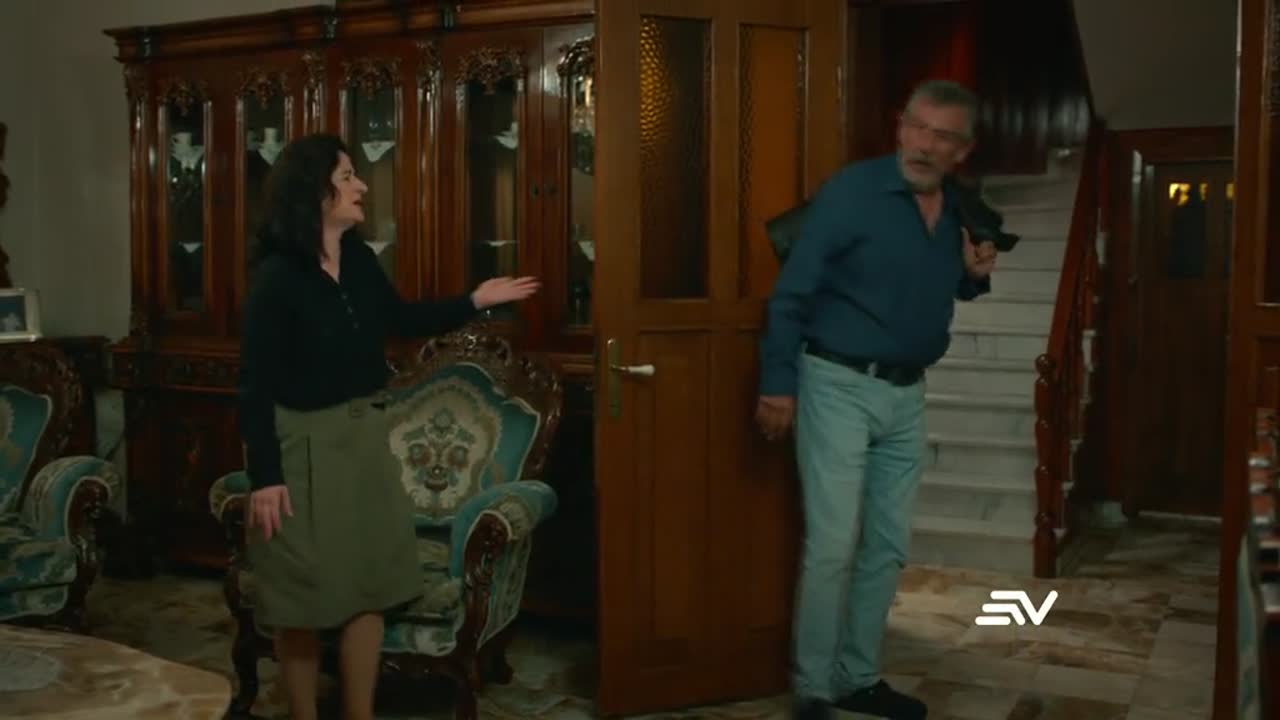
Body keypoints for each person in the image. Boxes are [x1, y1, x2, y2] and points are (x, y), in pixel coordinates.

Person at [237, 133, 539, 720]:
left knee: (368, 587)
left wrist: (474, 300)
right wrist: (266, 478)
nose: (361, 187)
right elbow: (254, 387)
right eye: (347, 176)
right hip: (301, 447)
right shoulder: (277, 278)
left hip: (363, 441)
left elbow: (400, 316)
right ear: (316, 191)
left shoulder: (356, 261)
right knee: (300, 600)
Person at [755, 80, 997, 720]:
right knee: (833, 544)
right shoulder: (853, 192)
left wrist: (975, 277)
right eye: (917, 126)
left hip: (907, 392)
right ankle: (813, 688)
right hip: (836, 382)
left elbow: (937, 284)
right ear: (900, 125)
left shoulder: (957, 207)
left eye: (942, 135)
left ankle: (857, 677)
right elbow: (792, 293)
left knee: (887, 545)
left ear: (963, 150)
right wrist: (777, 382)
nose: (924, 144)